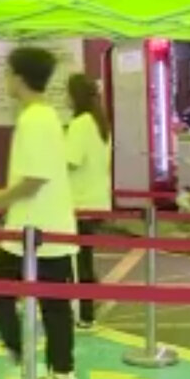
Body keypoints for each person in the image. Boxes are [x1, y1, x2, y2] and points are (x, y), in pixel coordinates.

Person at [0, 47, 80, 379]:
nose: (4, 80)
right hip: (48, 227)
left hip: (32, 231)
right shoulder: (46, 116)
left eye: (7, 73)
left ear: (18, 77)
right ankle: (61, 375)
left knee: (0, 296)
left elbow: (34, 179)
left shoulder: (34, 119)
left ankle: (27, 369)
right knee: (54, 305)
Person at [66, 75, 113, 331]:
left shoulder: (80, 124)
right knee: (84, 258)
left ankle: (85, 314)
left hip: (79, 201)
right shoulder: (100, 123)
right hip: (97, 199)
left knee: (78, 262)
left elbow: (70, 161)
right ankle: (91, 300)